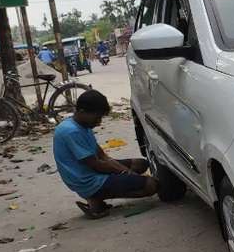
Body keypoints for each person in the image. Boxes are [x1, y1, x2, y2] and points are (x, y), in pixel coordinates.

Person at [52, 89, 158, 218]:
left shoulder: (81, 125)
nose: (99, 122)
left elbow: (102, 156)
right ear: (82, 112)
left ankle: (98, 196)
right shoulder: (71, 131)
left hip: (92, 169)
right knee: (151, 185)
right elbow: (96, 165)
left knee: (141, 164)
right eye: (97, 117)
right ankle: (94, 197)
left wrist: (125, 171)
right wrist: (125, 173)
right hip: (88, 181)